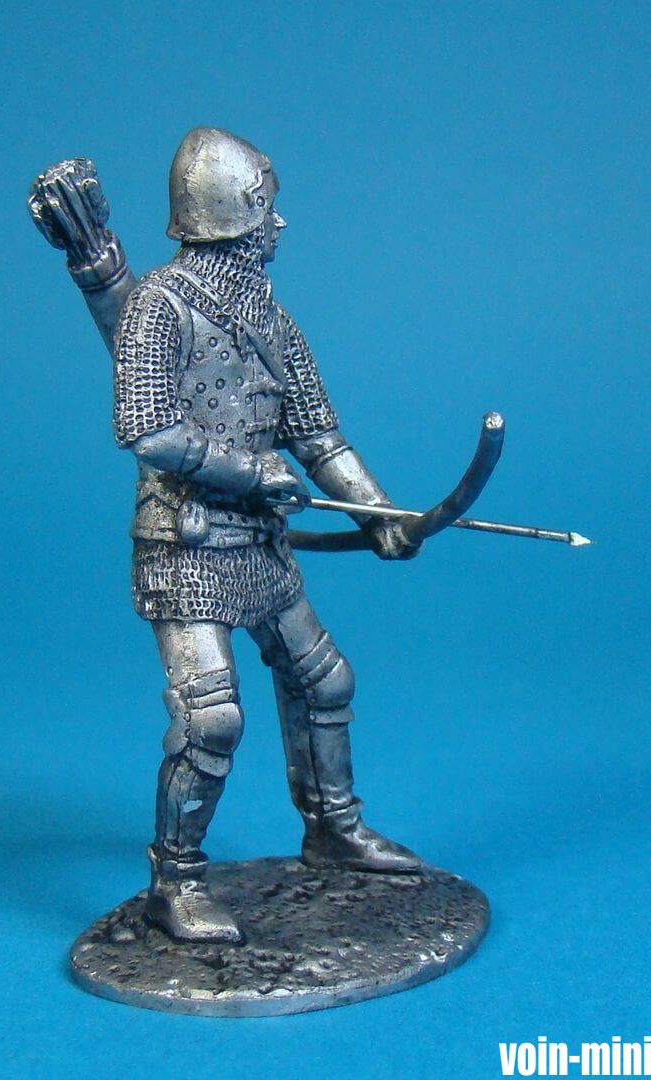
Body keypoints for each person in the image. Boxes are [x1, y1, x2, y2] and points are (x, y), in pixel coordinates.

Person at [111, 127, 423, 943]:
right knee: (210, 720)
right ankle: (176, 881)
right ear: (236, 217)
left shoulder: (271, 319)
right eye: (266, 210)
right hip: (185, 545)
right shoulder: (158, 305)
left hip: (258, 546)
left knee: (326, 683)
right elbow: (149, 430)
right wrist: (251, 473)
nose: (278, 225)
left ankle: (333, 830)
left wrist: (379, 514)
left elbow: (319, 437)